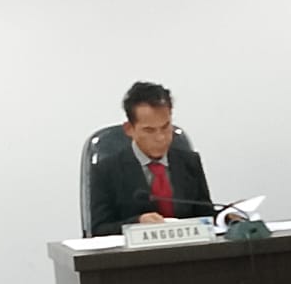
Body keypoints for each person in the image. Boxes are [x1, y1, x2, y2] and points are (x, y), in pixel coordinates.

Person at [88, 81, 217, 236]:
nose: (160, 137)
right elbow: (99, 229)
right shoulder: (106, 170)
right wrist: (137, 222)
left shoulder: (189, 162)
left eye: (165, 127)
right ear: (129, 129)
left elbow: (206, 216)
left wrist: (228, 217)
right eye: (149, 130)